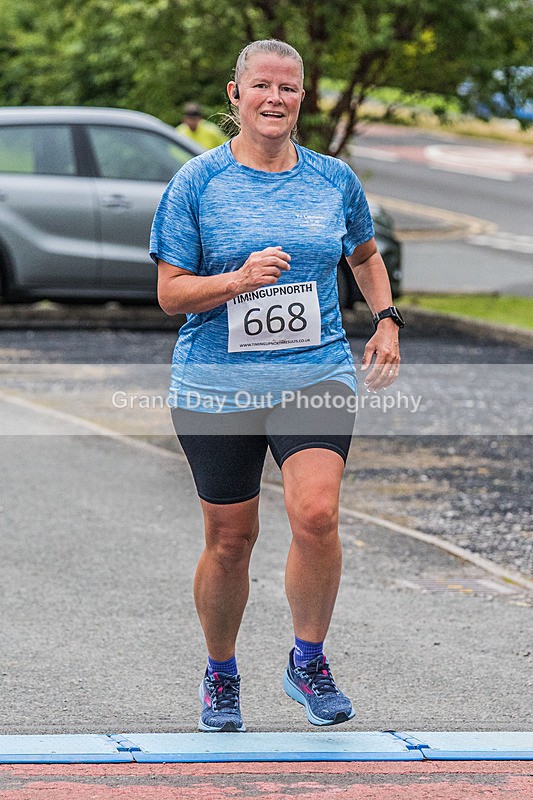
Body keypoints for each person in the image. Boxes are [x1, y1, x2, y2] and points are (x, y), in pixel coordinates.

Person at [150, 39, 402, 733]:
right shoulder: (196, 184)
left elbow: (364, 254)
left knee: (316, 514)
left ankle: (307, 660)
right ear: (235, 95)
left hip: (313, 371)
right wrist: (236, 279)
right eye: (261, 85)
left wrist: (385, 319)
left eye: (287, 88)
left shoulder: (331, 179)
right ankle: (221, 673)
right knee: (231, 539)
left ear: (300, 100)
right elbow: (171, 294)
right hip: (216, 384)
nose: (274, 98)